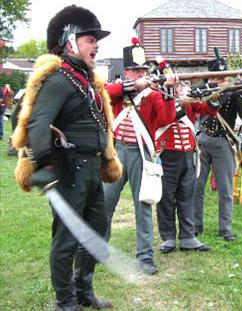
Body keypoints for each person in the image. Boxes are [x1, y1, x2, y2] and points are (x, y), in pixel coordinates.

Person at [11, 5, 122, 310]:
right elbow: (36, 124)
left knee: (98, 228)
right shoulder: (59, 78)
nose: (96, 45)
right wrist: (45, 165)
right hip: (68, 170)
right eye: (90, 39)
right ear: (70, 40)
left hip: (91, 168)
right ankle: (66, 302)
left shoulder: (85, 80)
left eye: (96, 40)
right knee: (66, 240)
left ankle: (83, 290)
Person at [103, 39, 175, 275]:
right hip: (115, 152)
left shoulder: (153, 94)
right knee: (105, 203)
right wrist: (126, 87)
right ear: (126, 72)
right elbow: (101, 93)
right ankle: (99, 249)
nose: (140, 74)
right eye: (135, 70)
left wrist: (169, 91)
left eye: (143, 70)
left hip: (141, 153)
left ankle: (145, 256)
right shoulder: (117, 90)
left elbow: (165, 120)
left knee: (143, 206)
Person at [154, 72, 217, 253]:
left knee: (187, 196)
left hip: (188, 152)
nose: (180, 87)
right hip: (166, 154)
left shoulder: (187, 100)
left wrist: (213, 93)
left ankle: (188, 236)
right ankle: (168, 238)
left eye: (181, 84)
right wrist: (177, 99)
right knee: (166, 197)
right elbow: (164, 118)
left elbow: (209, 110)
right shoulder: (159, 99)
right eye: (176, 84)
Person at [194, 53, 242, 241]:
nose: (222, 81)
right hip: (201, 141)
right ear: (210, 78)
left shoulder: (234, 92)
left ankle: (225, 228)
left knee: (226, 189)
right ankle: (195, 226)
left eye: (224, 78)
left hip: (223, 141)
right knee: (197, 187)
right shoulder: (201, 90)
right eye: (218, 78)